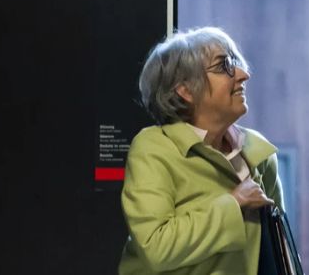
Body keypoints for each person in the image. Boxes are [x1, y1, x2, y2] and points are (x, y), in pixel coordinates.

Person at [119, 27, 284, 275]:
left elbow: (277, 248)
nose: (243, 74)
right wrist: (234, 203)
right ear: (184, 90)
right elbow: (155, 247)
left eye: (236, 63)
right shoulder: (155, 148)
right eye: (223, 66)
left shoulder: (259, 154)